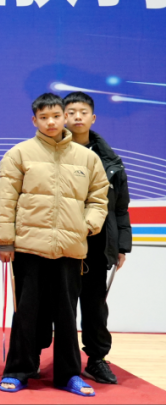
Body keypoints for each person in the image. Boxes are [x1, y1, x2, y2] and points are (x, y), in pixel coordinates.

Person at [0, 93, 108, 397]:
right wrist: (5, 241)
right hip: (28, 248)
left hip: (70, 249)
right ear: (34, 120)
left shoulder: (87, 158)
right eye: (43, 117)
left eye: (56, 116)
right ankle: (18, 371)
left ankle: (69, 375)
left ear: (64, 118)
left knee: (68, 316)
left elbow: (99, 199)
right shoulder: (19, 154)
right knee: (27, 313)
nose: (50, 122)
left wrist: (87, 225)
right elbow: (5, 201)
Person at [63, 91, 132, 385]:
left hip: (97, 244)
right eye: (71, 112)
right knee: (55, 305)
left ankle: (96, 359)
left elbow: (120, 207)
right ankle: (46, 359)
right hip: (60, 243)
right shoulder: (50, 153)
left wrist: (122, 245)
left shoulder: (110, 160)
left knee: (94, 307)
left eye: (83, 112)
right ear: (62, 117)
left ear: (93, 118)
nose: (77, 117)